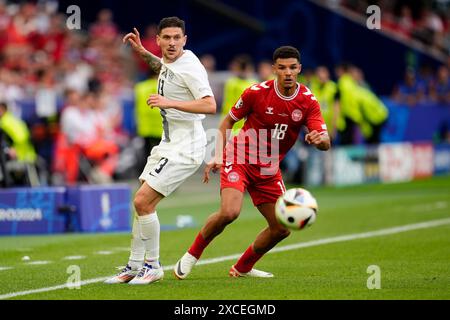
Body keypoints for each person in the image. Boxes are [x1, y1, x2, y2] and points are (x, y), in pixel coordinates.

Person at [174, 46, 330, 279]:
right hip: (240, 158)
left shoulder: (308, 101)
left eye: (292, 67)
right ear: (274, 69)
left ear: (299, 69)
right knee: (230, 212)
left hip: (268, 168)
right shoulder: (256, 93)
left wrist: (320, 140)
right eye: (282, 67)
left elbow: (325, 140)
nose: (287, 72)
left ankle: (242, 268)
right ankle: (191, 255)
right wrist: (218, 154)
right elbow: (227, 122)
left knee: (281, 229)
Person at [105, 16, 216, 285]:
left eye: (177, 38)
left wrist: (169, 102)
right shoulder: (169, 60)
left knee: (143, 201)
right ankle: (134, 265)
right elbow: (163, 67)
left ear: (185, 40)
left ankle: (152, 266)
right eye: (166, 38)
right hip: (168, 142)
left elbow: (210, 105)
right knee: (142, 202)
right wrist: (143, 52)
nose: (172, 43)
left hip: (186, 145)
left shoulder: (191, 66)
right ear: (159, 40)